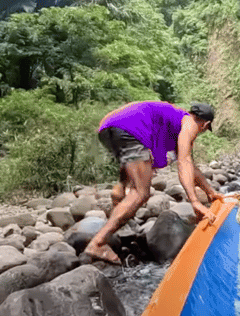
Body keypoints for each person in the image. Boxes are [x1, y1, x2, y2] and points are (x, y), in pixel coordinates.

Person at [84, 101, 223, 264]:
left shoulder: (173, 117)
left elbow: (192, 167)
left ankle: (119, 191)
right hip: (131, 130)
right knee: (141, 193)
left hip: (108, 128)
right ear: (205, 124)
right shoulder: (190, 124)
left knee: (135, 165)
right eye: (205, 129)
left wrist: (210, 191)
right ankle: (98, 243)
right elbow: (184, 161)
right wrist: (194, 201)